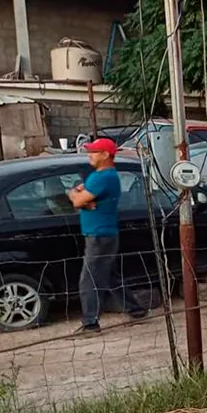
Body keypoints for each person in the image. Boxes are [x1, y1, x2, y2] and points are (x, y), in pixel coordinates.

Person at [68, 138, 147, 333]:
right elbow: (79, 197)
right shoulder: (100, 176)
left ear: (105, 155)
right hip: (102, 233)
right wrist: (80, 197)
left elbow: (78, 201)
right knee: (109, 275)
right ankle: (135, 309)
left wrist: (78, 197)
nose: (90, 155)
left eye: (94, 152)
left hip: (99, 234)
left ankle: (90, 322)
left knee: (89, 279)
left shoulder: (103, 177)